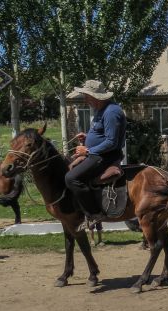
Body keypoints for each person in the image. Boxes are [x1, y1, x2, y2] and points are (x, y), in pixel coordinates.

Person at [66, 80, 126, 228]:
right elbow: (103, 135)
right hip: (98, 154)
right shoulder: (102, 109)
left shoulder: (112, 112)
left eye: (87, 96)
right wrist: (88, 138)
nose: (85, 99)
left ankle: (94, 214)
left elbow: (112, 142)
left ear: (96, 97)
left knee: (71, 178)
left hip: (105, 156)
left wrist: (87, 150)